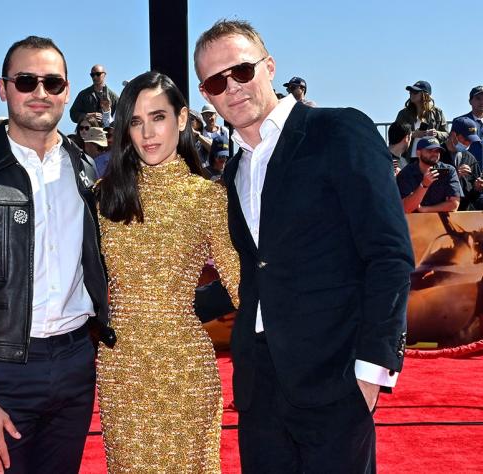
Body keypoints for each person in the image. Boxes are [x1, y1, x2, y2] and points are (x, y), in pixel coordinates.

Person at [194, 19, 414, 473]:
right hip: (259, 386)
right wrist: (161, 306)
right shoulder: (234, 172)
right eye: (216, 81)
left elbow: (389, 254)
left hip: (335, 377)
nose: (231, 87)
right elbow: (256, 273)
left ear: (269, 66)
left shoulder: (338, 130)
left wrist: (372, 369)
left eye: (241, 71)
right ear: (206, 94)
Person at [0, 35, 115, 474]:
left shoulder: (85, 170)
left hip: (75, 366)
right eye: (26, 81)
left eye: (52, 83)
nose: (40, 93)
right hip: (1, 371)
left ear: (67, 92)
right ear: (3, 88)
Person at [96, 71, 239, 472]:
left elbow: (244, 284)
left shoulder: (208, 198)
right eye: (136, 122)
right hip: (120, 369)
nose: (147, 133)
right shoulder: (104, 197)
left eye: (158, 117)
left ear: (182, 119)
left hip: (187, 368)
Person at [397, 137, 462, 213]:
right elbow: (405, 208)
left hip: (440, 222)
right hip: (414, 222)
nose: (434, 154)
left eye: (437, 151)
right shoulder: (406, 173)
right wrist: (423, 185)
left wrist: (425, 209)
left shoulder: (449, 171)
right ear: (418, 153)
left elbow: (454, 205)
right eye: (430, 150)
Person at [437, 117, 483, 210]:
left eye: (471, 140)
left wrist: (477, 188)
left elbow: (473, 198)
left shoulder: (470, 158)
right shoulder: (435, 155)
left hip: (464, 216)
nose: (468, 143)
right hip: (439, 214)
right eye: (466, 139)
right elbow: (429, 191)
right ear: (453, 134)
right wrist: (454, 176)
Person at [395, 80, 448, 158]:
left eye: (415, 92)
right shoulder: (403, 113)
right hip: (408, 158)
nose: (412, 94)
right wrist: (412, 134)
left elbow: (447, 134)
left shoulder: (437, 112)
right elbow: (395, 134)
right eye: (411, 92)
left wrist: (436, 133)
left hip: (430, 158)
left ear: (425, 95)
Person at [453, 86, 483, 167]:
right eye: (478, 98)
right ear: (470, 101)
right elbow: (454, 147)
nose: (482, 102)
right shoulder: (460, 122)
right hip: (467, 170)